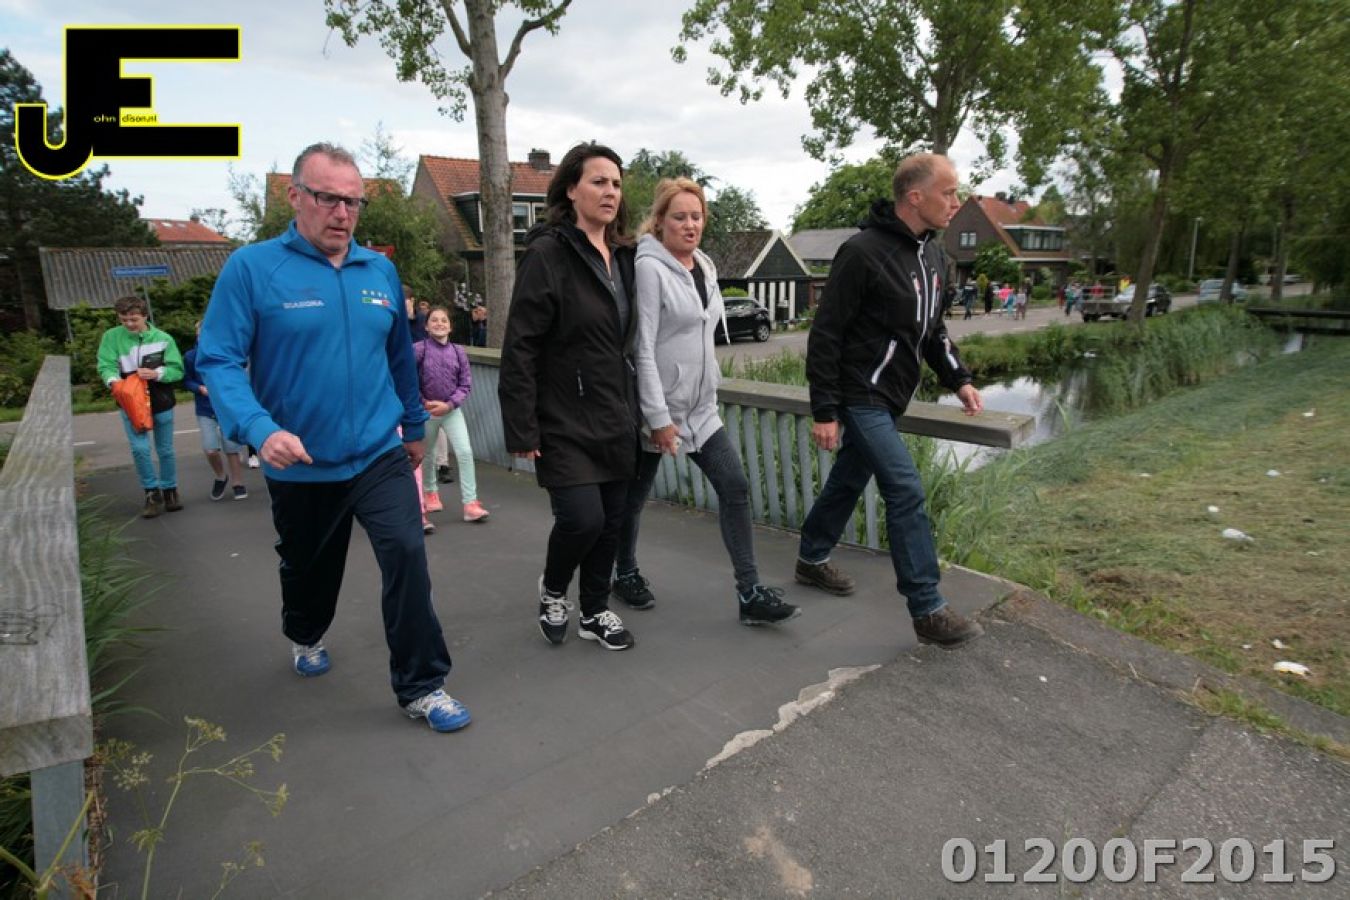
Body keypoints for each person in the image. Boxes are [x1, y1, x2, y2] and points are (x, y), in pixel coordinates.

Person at [197, 142, 470, 733]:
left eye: (353, 201)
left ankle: (423, 685)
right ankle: (305, 631)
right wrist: (260, 428)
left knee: (407, 553)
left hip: (377, 452)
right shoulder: (253, 268)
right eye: (328, 198)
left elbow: (399, 358)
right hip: (300, 460)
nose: (343, 213)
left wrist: (413, 426)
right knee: (308, 569)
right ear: (295, 196)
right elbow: (217, 359)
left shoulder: (379, 271)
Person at [793, 152, 986, 649]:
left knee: (848, 479)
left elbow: (933, 331)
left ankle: (811, 557)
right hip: (861, 394)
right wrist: (825, 410)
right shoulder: (862, 252)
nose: (957, 202)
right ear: (915, 197)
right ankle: (927, 608)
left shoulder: (936, 258)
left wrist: (959, 379)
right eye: (949, 193)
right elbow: (826, 334)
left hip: (893, 397)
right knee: (905, 488)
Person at [616, 177, 800, 626]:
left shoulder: (705, 265)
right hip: (658, 409)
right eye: (679, 217)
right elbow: (643, 347)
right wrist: (658, 419)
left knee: (734, 487)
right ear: (660, 222)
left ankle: (749, 592)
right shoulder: (649, 268)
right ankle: (625, 572)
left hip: (701, 409)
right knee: (633, 497)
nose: (690, 225)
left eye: (696, 216)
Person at [499, 142, 639, 652]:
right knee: (583, 519)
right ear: (571, 190)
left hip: (615, 412)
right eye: (599, 181)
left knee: (611, 524)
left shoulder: (625, 257)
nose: (610, 192)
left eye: (616, 183)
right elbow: (521, 344)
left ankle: (595, 611)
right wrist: (522, 425)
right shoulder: (548, 254)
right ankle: (554, 590)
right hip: (562, 415)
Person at [97, 294, 184, 518]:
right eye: (123, 319)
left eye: (133, 319)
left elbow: (177, 370)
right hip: (130, 398)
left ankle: (170, 490)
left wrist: (157, 373)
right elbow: (106, 365)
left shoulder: (163, 338)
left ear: (145, 316)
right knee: (140, 449)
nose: (128, 324)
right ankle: (151, 492)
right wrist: (115, 383)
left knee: (165, 449)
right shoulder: (111, 337)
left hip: (160, 396)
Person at [415, 306, 489, 525]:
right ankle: (430, 492)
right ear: (426, 326)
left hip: (451, 411)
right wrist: (424, 402)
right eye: (434, 320)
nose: (439, 323)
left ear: (450, 326)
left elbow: (465, 384)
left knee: (465, 452)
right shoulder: (418, 350)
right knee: (427, 454)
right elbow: (408, 380)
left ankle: (470, 503)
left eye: (444, 320)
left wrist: (449, 405)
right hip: (426, 411)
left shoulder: (458, 351)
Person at [182, 320, 247, 501]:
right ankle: (220, 476)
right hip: (205, 408)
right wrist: (199, 388)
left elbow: (238, 372)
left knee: (232, 447)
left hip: (226, 407)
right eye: (200, 335)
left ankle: (238, 482)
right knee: (210, 448)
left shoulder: (225, 353)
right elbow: (187, 380)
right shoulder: (191, 356)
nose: (203, 338)